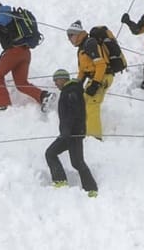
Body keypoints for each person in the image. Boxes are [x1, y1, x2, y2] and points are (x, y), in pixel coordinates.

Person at [0, 0, 52, 111]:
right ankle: (44, 96)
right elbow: (4, 37)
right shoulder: (8, 17)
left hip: (15, 52)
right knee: (21, 83)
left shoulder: (3, 13)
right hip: (24, 53)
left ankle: (4, 106)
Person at [45, 68, 98, 197]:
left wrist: (66, 131)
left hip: (72, 133)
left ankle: (89, 188)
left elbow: (72, 114)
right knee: (72, 160)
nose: (55, 83)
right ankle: (85, 187)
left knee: (58, 155)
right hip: (71, 133)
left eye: (56, 80)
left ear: (63, 79)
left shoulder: (70, 92)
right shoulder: (71, 90)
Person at [66, 20, 111, 140]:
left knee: (92, 104)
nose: (69, 39)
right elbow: (82, 70)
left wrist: (95, 84)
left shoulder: (89, 44)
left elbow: (101, 65)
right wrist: (77, 84)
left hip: (103, 76)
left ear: (77, 34)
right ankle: (87, 132)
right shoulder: (81, 48)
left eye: (71, 36)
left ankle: (95, 137)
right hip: (96, 77)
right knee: (84, 103)